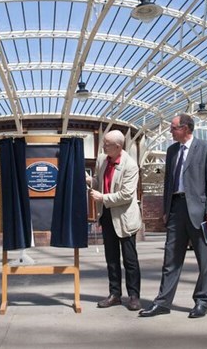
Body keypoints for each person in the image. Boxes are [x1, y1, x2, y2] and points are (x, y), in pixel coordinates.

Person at [139, 113, 207, 318]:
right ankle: (163, 302)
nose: (170, 131)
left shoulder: (206, 148)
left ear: (186, 128)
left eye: (173, 128)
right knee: (170, 258)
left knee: (205, 259)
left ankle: (202, 301)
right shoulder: (172, 150)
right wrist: (166, 210)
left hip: (201, 212)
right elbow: (168, 184)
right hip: (176, 209)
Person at [87, 130, 143, 311]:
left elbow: (126, 195)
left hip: (125, 219)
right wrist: (89, 180)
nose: (103, 147)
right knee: (111, 258)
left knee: (130, 259)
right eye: (104, 143)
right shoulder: (103, 160)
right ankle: (115, 294)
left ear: (118, 147)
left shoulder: (130, 166)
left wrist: (102, 198)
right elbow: (99, 181)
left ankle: (134, 296)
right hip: (107, 217)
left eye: (107, 144)